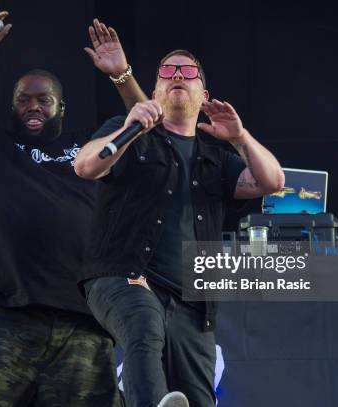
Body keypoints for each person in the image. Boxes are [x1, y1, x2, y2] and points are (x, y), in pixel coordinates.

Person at [0, 11, 146, 406]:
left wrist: (122, 74)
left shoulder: (89, 148)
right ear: (12, 106)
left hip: (82, 319)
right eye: (24, 100)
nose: (33, 106)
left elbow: (147, 125)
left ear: (61, 106)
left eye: (44, 99)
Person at [74, 49, 285, 407]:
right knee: (142, 324)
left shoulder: (217, 159)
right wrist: (130, 125)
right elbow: (85, 166)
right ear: (155, 92)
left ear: (203, 97)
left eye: (188, 72)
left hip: (191, 302)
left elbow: (272, 181)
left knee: (198, 398)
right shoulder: (130, 133)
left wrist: (239, 136)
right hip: (125, 276)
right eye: (167, 70)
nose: (177, 75)